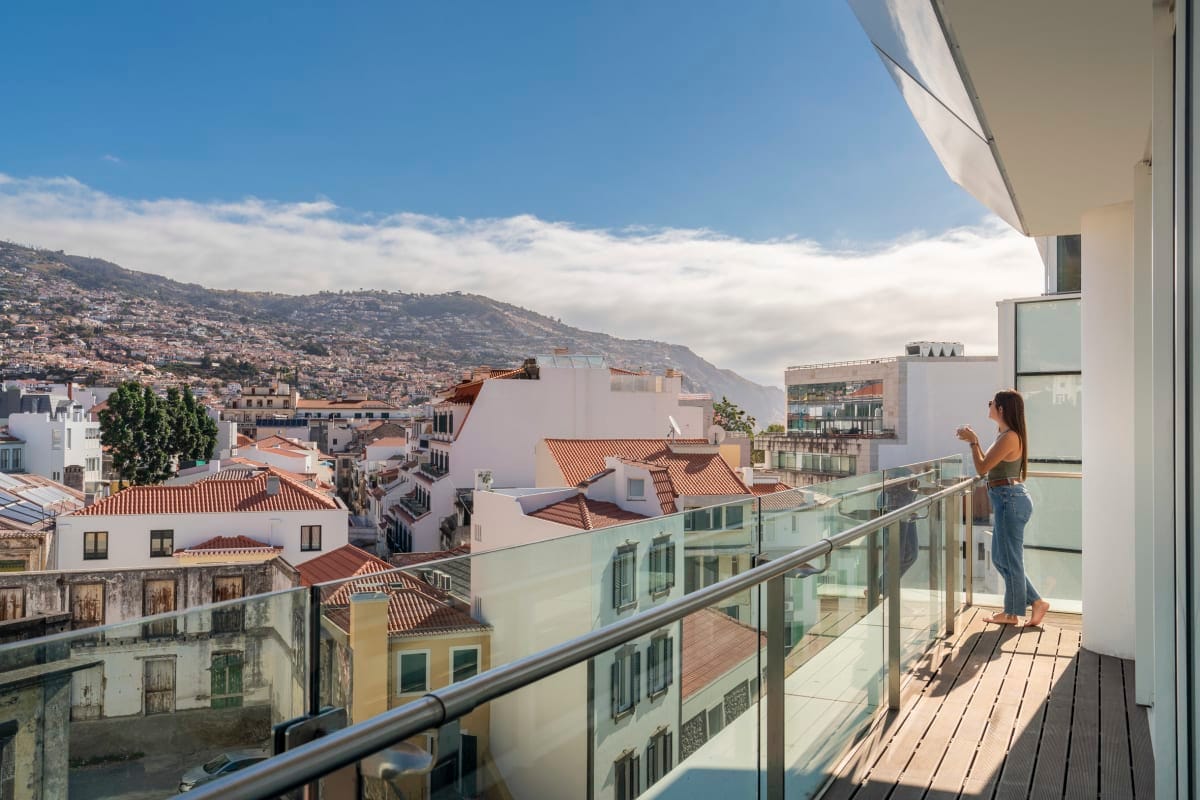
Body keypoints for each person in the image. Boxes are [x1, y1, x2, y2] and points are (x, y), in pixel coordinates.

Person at [955, 390, 1050, 627]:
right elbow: (988, 464)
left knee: (1011, 559)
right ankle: (1036, 602)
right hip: (1007, 499)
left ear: (1002, 409)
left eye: (992, 403)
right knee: (1000, 558)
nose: (988, 405)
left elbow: (982, 468)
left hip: (1010, 499)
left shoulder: (1009, 437)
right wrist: (974, 443)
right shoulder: (1005, 434)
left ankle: (1012, 613)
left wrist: (973, 441)